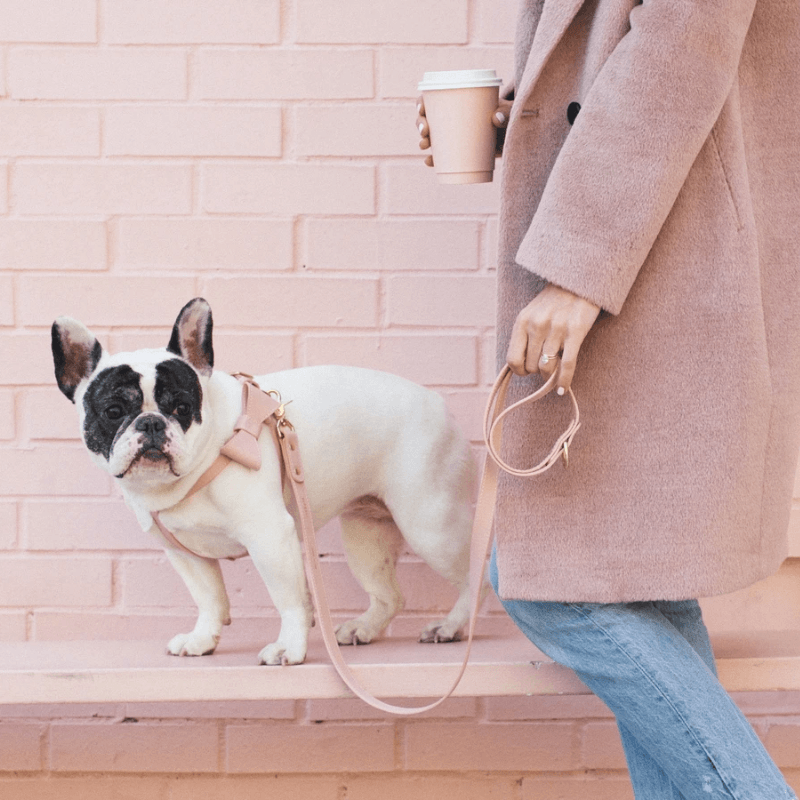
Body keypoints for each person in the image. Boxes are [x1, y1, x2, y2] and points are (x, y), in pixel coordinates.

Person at [418, 0, 800, 797]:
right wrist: (517, 118)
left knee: (550, 586)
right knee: (644, 587)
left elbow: (679, 54)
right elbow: (624, 63)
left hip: (659, 267)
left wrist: (577, 271)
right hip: (655, 256)